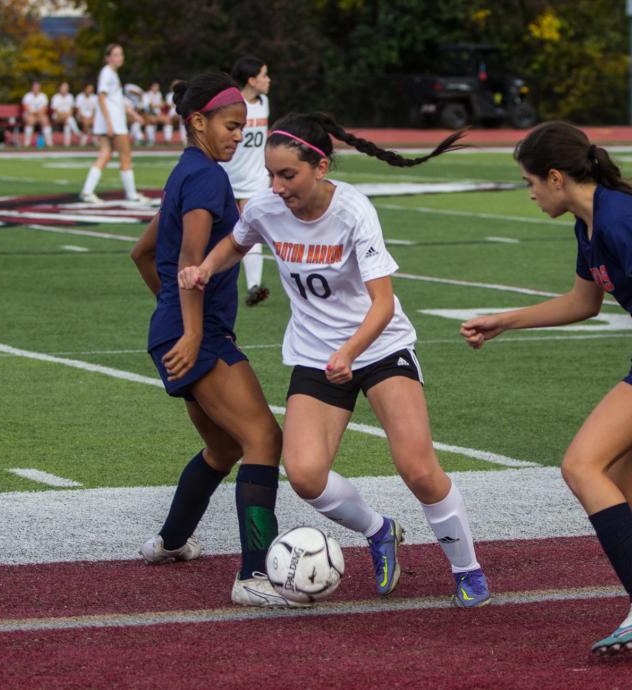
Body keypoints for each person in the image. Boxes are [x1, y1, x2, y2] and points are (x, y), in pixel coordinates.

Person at [177, 112, 491, 608]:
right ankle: (380, 530)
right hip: (315, 356)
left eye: (288, 175)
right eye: (271, 175)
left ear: (320, 167)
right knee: (304, 476)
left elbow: (383, 304)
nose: (277, 187)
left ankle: (467, 570)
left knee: (419, 469)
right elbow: (237, 242)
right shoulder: (265, 207)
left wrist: (349, 352)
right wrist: (204, 268)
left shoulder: (353, 211)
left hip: (379, 347)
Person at [460, 121, 632, 653]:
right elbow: (582, 303)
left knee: (581, 466)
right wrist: (506, 321)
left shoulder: (620, 219)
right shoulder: (590, 225)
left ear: (557, 177)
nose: (531, 192)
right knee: (627, 492)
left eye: (530, 182)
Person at [130, 72, 295, 608]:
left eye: (244, 128)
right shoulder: (208, 180)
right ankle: (254, 575)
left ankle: (170, 542)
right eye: (230, 125)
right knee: (264, 440)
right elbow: (189, 261)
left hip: (172, 334)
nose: (239, 137)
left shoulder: (186, 171)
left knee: (224, 447)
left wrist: (172, 317)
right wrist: (194, 328)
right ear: (197, 121)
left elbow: (141, 253)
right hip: (197, 337)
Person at [219, 56, 272, 307]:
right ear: (251, 80)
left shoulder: (265, 103)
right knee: (219, 230)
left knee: (252, 228)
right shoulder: (231, 104)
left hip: (255, 179)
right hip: (228, 177)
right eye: (264, 75)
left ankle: (253, 286)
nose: (268, 80)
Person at [79, 44, 150, 204]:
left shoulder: (112, 74)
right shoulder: (107, 73)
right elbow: (102, 98)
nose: (120, 57)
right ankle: (131, 194)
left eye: (121, 54)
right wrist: (109, 123)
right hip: (114, 123)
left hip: (111, 121)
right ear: (108, 57)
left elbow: (116, 100)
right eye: (116, 54)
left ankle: (87, 191)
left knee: (105, 154)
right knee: (125, 155)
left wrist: (133, 114)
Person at [50, 81, 82, 147]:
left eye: (66, 87)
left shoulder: (70, 97)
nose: (65, 89)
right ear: (60, 88)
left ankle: (67, 143)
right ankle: (78, 133)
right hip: (57, 117)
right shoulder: (56, 97)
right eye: (63, 87)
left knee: (68, 121)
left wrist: (67, 115)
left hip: (68, 116)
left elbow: (71, 110)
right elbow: (55, 110)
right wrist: (64, 115)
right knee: (68, 119)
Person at [22, 81, 52, 147]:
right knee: (30, 120)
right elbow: (26, 108)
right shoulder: (27, 96)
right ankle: (27, 143)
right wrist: (36, 113)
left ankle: (49, 143)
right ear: (32, 88)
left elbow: (44, 109)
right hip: (30, 115)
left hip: (40, 115)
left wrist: (37, 113)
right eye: (35, 87)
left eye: (37, 87)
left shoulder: (43, 96)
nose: (36, 89)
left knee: (45, 120)